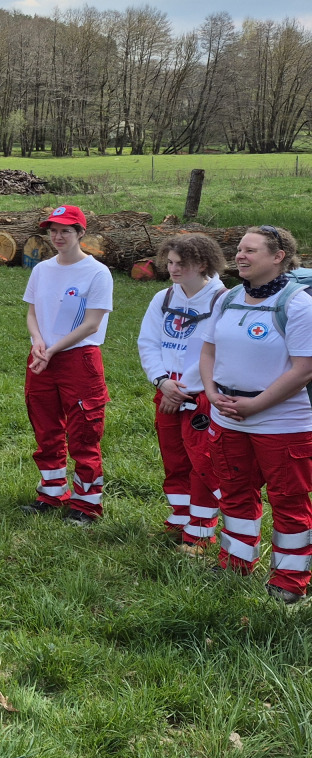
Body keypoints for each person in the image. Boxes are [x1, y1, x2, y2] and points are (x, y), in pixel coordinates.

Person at [200, 226, 312, 604]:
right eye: (239, 249)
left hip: (282, 424)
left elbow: (304, 369)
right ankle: (236, 563)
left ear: (278, 257)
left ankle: (289, 582)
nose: (240, 255)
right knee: (234, 493)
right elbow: (208, 352)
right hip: (227, 417)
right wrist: (211, 393)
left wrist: (257, 404)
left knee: (289, 501)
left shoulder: (298, 305)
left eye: (250, 250)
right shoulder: (228, 298)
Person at [19, 206, 115, 525]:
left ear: (81, 233)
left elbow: (91, 324)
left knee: (84, 432)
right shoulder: (42, 270)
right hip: (42, 357)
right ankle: (51, 493)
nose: (58, 237)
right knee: (45, 428)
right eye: (53, 231)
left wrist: (53, 349)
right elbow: (32, 312)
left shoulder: (97, 273)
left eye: (66, 231)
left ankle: (86, 504)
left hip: (78, 359)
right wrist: (38, 342)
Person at [137, 234, 228, 549]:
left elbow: (217, 352)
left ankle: (200, 533)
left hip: (200, 395)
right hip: (166, 390)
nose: (173, 269)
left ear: (202, 264)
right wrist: (162, 381)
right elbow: (148, 342)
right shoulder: (163, 298)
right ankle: (180, 519)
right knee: (174, 459)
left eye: (181, 263)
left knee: (202, 463)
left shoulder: (222, 300)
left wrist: (184, 389)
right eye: (170, 262)